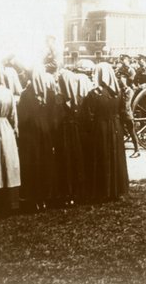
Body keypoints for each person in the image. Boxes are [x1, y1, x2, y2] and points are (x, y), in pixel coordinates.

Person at [82, 63, 129, 201]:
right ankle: (118, 190)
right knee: (116, 157)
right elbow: (122, 111)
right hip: (116, 127)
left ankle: (103, 191)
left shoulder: (94, 94)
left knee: (102, 157)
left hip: (100, 127)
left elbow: (88, 115)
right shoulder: (118, 92)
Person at [18, 67, 56, 211]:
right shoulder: (51, 94)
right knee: (45, 164)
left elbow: (22, 119)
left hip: (31, 136)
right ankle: (45, 197)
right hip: (46, 134)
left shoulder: (27, 95)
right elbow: (54, 118)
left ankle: (34, 198)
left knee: (33, 165)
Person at [0, 61, 21, 216]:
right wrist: (14, 128)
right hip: (6, 129)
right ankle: (11, 204)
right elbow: (14, 114)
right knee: (7, 163)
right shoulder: (7, 92)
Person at [55, 70, 86, 205]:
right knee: (76, 160)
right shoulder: (79, 98)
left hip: (63, 133)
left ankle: (67, 192)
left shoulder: (58, 98)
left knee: (65, 161)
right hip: (76, 133)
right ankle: (78, 192)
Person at [119, 73, 140, 158]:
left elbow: (126, 103)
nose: (121, 81)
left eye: (122, 80)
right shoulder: (121, 90)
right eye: (120, 80)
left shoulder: (129, 91)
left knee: (132, 132)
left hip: (127, 114)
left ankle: (137, 150)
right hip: (121, 115)